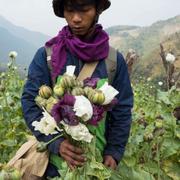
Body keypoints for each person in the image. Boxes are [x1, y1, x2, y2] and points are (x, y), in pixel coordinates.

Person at [21, 0, 133, 178]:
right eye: (70, 10)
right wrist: (56, 143)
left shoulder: (113, 61)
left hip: (97, 163)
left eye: (85, 10)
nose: (76, 18)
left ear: (97, 10)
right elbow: (29, 101)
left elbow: (122, 109)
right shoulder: (48, 56)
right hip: (53, 166)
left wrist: (114, 151)